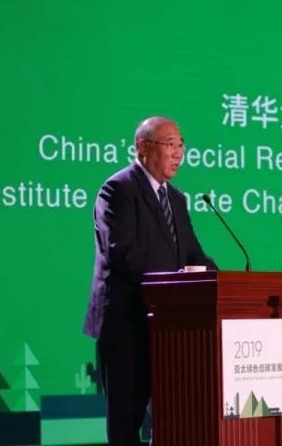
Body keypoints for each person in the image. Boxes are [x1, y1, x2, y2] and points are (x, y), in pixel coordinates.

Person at [83, 116, 216, 445]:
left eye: (181, 145)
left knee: (173, 419)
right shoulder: (118, 189)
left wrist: (221, 281)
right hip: (127, 323)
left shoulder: (177, 199)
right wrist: (175, 281)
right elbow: (123, 253)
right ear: (142, 147)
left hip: (169, 329)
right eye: (170, 144)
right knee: (126, 424)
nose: (178, 153)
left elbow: (193, 255)